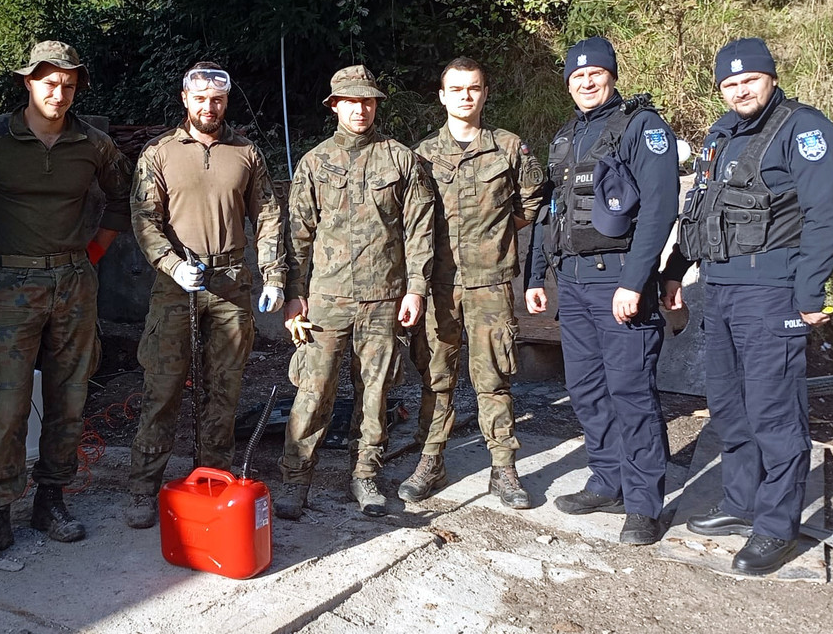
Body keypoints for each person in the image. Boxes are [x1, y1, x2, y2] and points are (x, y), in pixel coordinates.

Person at [0, 40, 132, 566]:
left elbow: (124, 198)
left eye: (68, 85)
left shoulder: (93, 144)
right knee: (5, 400)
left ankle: (51, 500)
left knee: (69, 397)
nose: (58, 94)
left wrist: (94, 252)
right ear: (28, 82)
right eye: (48, 83)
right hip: (12, 284)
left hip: (73, 282)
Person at [660, 37, 833, 575]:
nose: (740, 89)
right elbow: (698, 210)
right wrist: (675, 272)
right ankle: (741, 504)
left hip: (772, 292)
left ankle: (775, 528)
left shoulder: (802, 129)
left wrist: (811, 290)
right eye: (729, 82)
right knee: (728, 406)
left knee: (774, 412)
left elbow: (830, 215)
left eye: (749, 79)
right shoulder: (721, 135)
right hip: (718, 289)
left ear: (770, 77)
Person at [525, 36, 679, 546]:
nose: (587, 82)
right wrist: (537, 277)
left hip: (618, 284)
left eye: (595, 73)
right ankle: (607, 480)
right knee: (587, 391)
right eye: (577, 76)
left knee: (631, 393)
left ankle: (643, 504)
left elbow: (659, 209)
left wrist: (635, 281)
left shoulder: (642, 128)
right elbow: (554, 213)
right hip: (572, 284)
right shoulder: (567, 136)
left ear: (612, 75)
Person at [124, 62, 286, 528]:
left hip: (231, 285)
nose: (208, 107)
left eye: (216, 99)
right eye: (200, 98)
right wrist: (172, 264)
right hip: (177, 284)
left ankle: (212, 477)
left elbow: (270, 215)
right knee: (163, 386)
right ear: (185, 99)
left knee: (224, 390)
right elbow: (143, 216)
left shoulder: (246, 153)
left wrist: (273, 274)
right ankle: (143, 486)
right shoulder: (159, 154)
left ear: (225, 103)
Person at [273, 65, 434, 519]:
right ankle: (296, 478)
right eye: (351, 101)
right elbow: (297, 236)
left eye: (367, 101)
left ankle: (366, 474)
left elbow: (418, 230)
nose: (360, 109)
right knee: (312, 388)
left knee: (375, 392)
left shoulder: (400, 159)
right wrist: (293, 295)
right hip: (325, 301)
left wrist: (415, 289)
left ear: (375, 105)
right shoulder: (314, 163)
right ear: (335, 106)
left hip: (384, 297)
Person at [401, 57, 544, 509]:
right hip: (438, 283)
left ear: (485, 93)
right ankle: (430, 459)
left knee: (494, 377)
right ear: (441, 96)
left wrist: (494, 241)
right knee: (435, 376)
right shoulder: (421, 155)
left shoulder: (508, 148)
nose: (466, 95)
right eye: (457, 88)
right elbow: (410, 221)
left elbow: (531, 205)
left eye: (474, 88)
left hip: (488, 284)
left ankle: (503, 467)